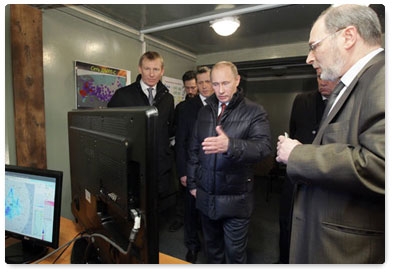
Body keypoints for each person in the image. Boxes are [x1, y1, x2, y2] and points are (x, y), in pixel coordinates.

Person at [276, 4, 384, 263]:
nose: (309, 58)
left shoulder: (383, 76)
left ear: (348, 37)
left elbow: (382, 164)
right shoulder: (353, 84)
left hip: (349, 250)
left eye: (314, 46)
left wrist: (298, 155)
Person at [187, 61, 272, 263]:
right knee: (213, 252)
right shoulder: (204, 110)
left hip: (236, 200)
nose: (220, 90)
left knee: (235, 255)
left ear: (237, 80)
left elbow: (264, 148)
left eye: (225, 83)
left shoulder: (255, 111)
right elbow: (193, 149)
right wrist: (192, 184)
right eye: (215, 84)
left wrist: (230, 146)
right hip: (206, 196)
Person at [278, 67, 338, 263]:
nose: (322, 81)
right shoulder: (301, 100)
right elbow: (293, 131)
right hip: (294, 173)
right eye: (319, 76)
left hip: (325, 176)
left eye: (328, 77)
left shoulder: (345, 103)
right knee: (287, 220)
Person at [107, 51, 175, 200]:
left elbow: (168, 130)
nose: (151, 74)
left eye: (156, 69)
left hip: (160, 168)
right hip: (132, 167)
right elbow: (109, 129)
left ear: (162, 71)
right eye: (147, 69)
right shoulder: (122, 95)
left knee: (159, 211)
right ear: (139, 69)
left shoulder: (168, 98)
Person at [173, 66, 214, 263]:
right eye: (201, 83)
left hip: (215, 169)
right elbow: (180, 141)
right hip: (192, 169)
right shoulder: (185, 108)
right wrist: (182, 172)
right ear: (195, 85)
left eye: (208, 81)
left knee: (211, 211)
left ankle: (211, 247)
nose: (204, 86)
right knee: (190, 211)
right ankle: (192, 246)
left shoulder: (223, 104)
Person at [168, 70, 198, 233]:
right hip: (182, 154)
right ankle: (181, 218)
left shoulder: (205, 107)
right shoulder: (181, 107)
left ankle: (198, 222)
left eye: (193, 87)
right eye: (188, 88)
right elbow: (174, 128)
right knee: (182, 190)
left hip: (199, 156)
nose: (191, 91)